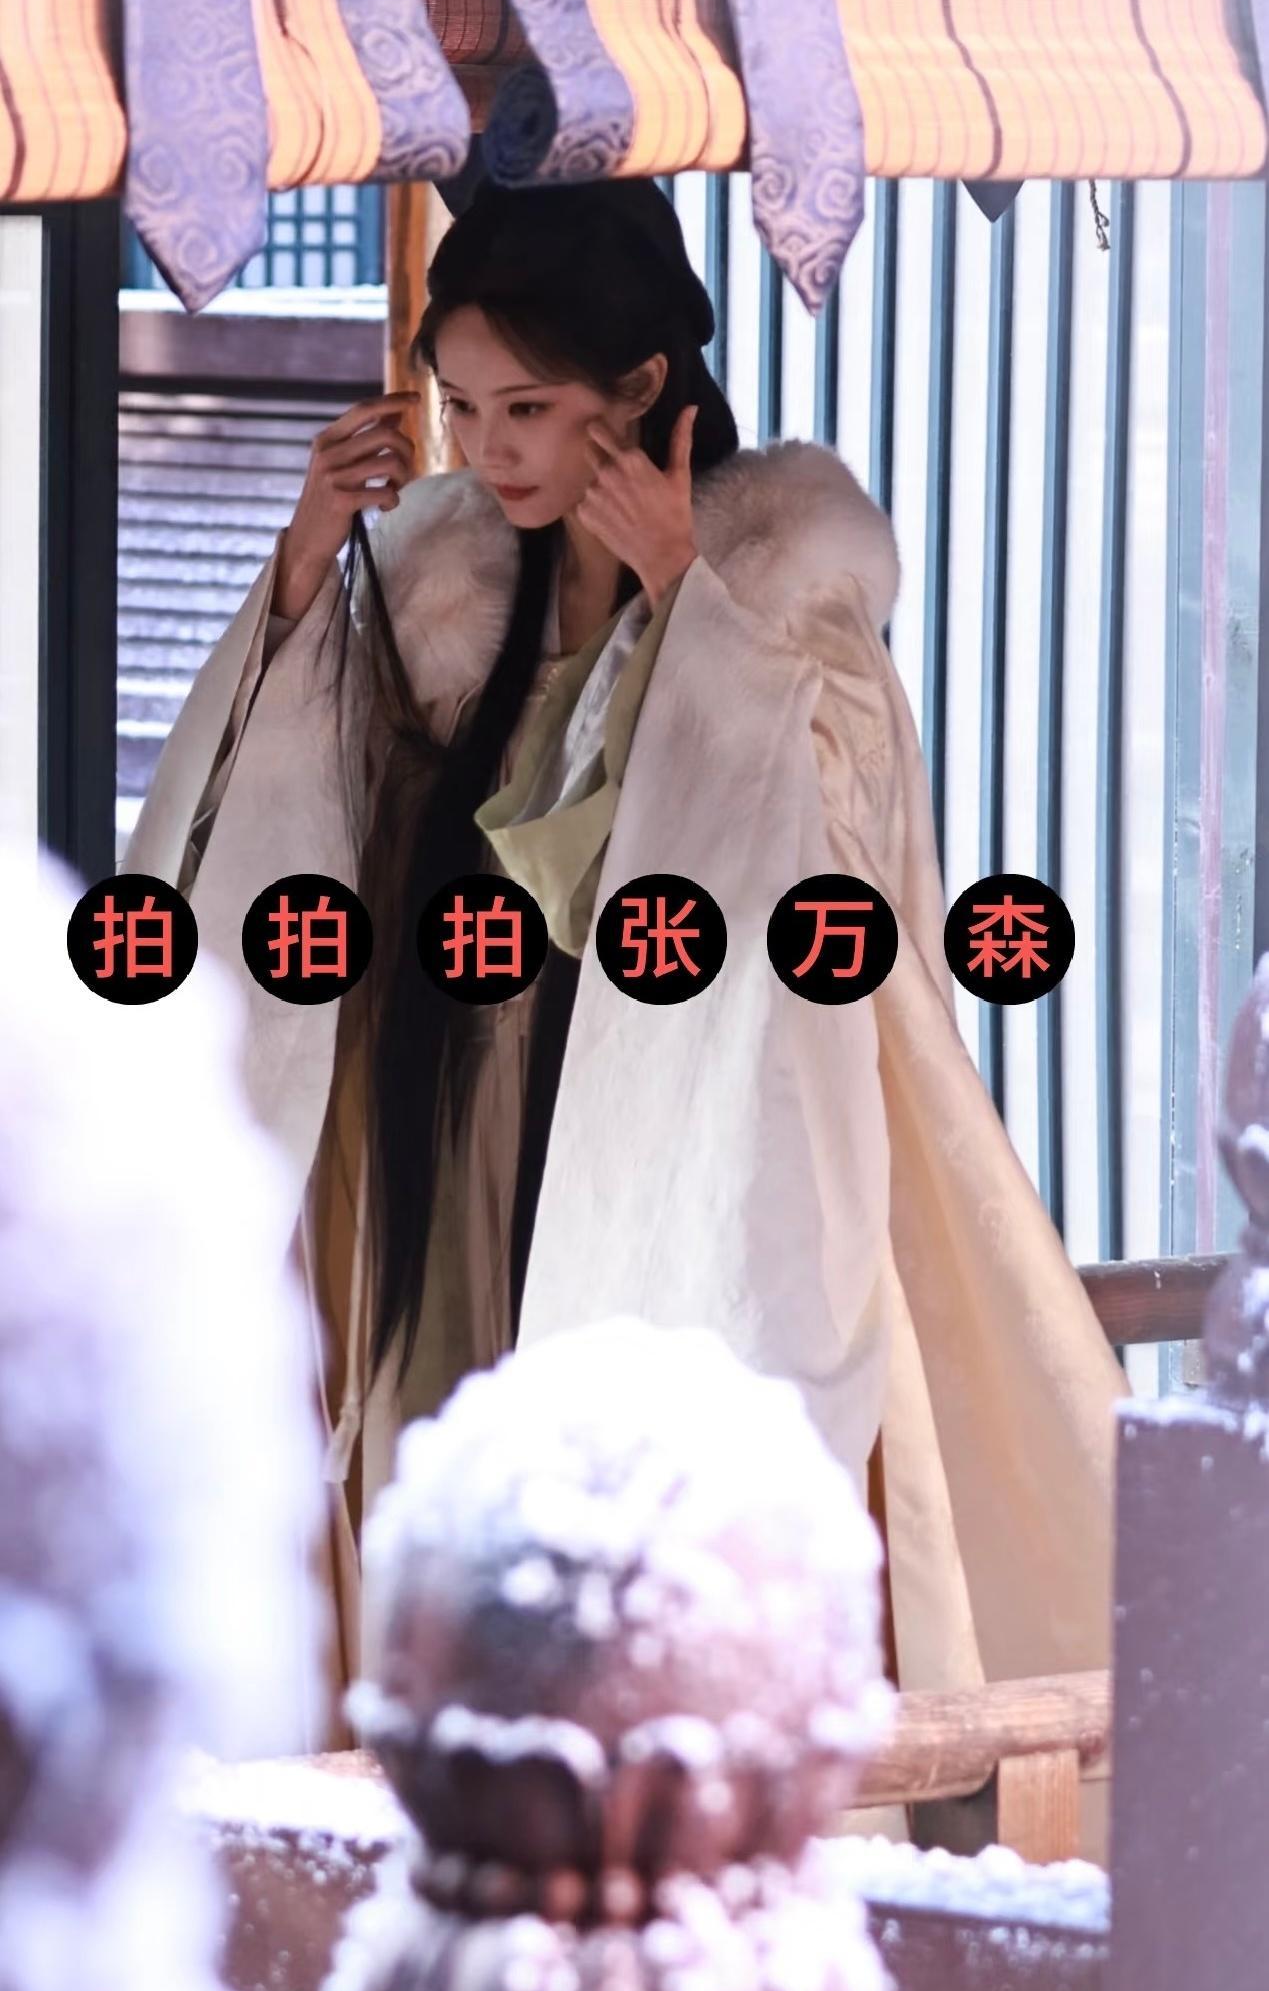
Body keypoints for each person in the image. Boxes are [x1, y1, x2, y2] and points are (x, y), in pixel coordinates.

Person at [125, 177, 1125, 1828]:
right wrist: (305, 573)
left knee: (654, 1553)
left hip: (689, 1136)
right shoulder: (441, 584)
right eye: (461, 407)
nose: (488, 448)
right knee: (454, 1502)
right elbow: (287, 841)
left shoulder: (784, 584)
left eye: (526, 407)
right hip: (460, 1127)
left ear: (644, 385)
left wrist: (686, 599)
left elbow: (837, 883)